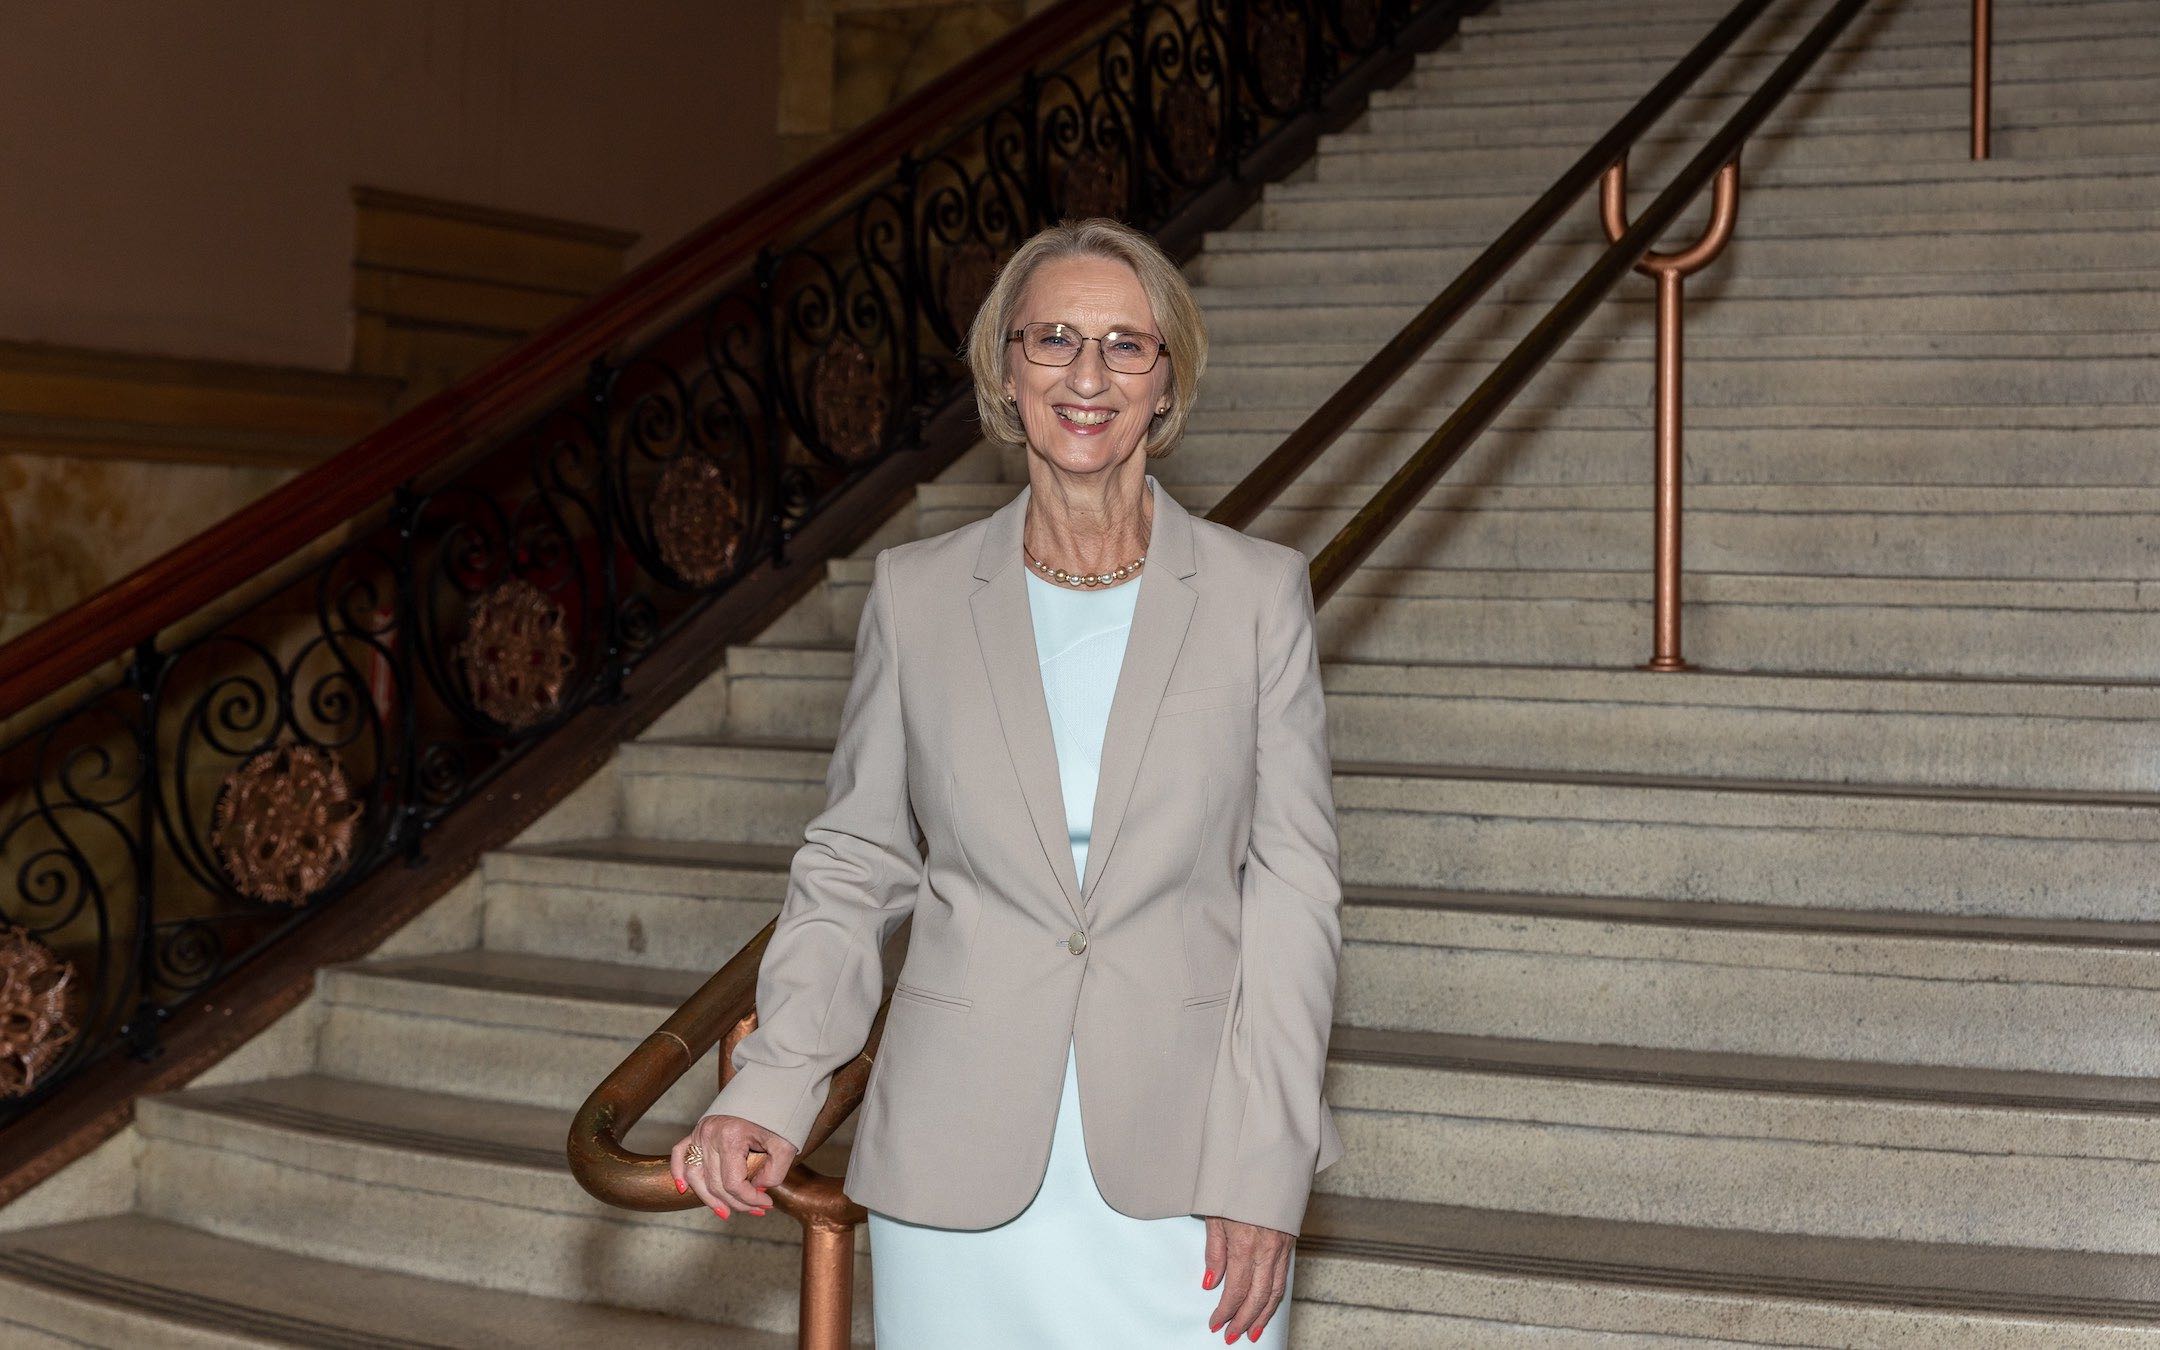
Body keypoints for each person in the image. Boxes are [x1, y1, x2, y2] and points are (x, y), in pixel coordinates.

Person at [671, 217, 1343, 1347]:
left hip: (1191, 1158)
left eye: (1127, 346)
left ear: (1167, 380)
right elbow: (855, 862)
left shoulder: (1256, 596)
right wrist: (775, 1084)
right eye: (1055, 340)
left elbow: (1294, 895)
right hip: (956, 1158)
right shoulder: (919, 593)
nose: (1089, 376)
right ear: (1005, 370)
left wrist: (1267, 1162)